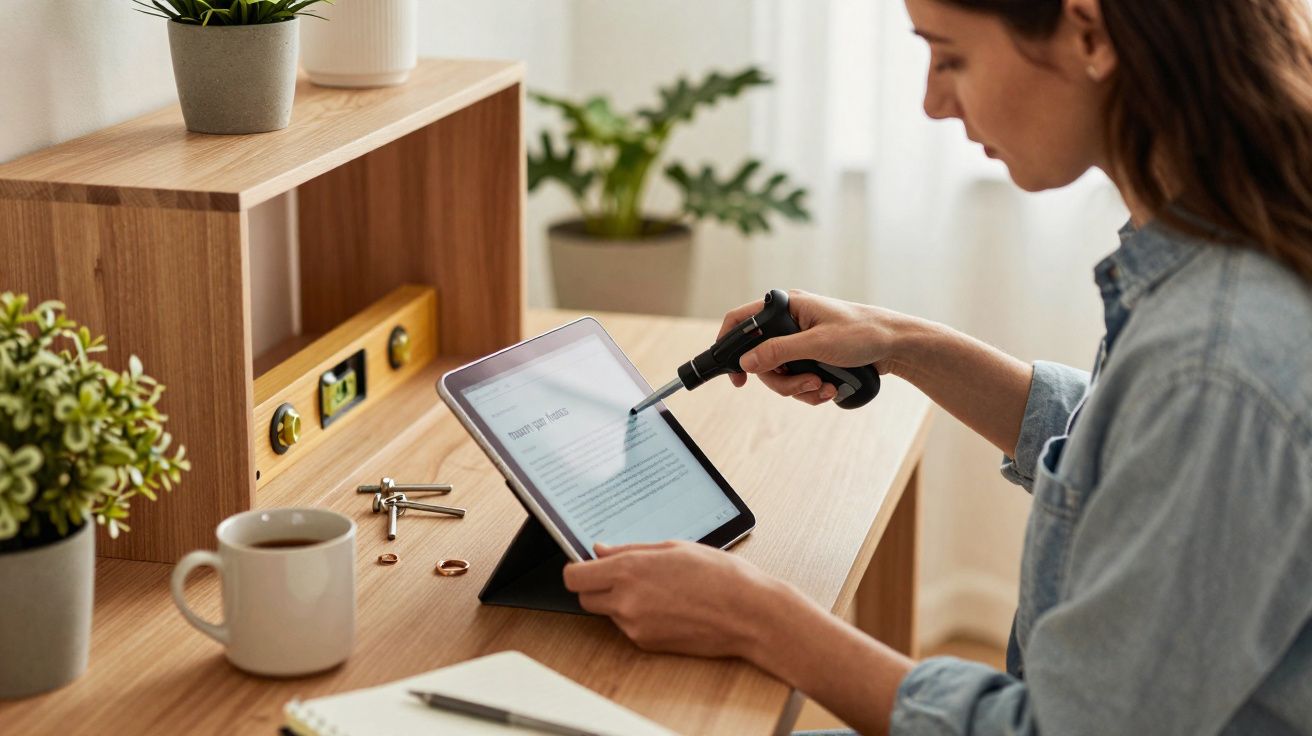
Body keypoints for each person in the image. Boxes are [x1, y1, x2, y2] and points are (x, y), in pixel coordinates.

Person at [563, 0, 1312, 733]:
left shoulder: (1212, 362)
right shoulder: (1222, 267)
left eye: (949, 55)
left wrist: (757, 618)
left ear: (1089, 31)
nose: (930, 102)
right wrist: (901, 342)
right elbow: (1134, 452)